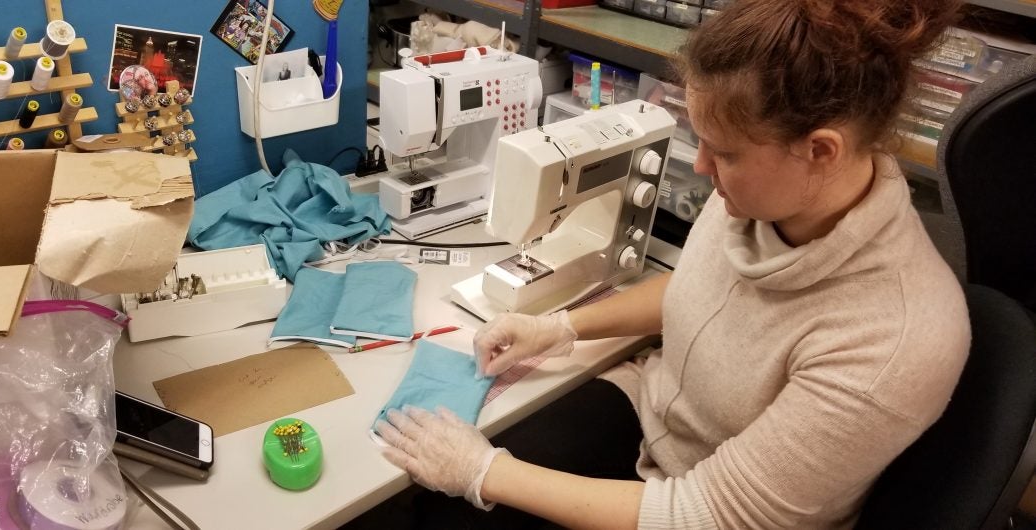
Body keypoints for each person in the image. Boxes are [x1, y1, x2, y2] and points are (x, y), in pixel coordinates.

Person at [367, 0, 972, 528]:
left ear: (820, 151)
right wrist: (563, 327)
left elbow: (701, 515)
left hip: (704, 509)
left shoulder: (894, 340)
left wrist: (484, 472)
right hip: (655, 415)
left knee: (458, 502)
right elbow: (704, 287)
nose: (701, 167)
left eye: (724, 152)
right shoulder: (775, 192)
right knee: (415, 492)